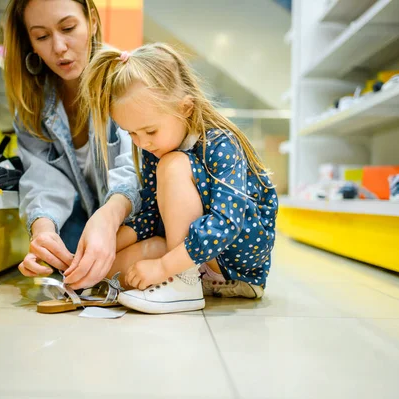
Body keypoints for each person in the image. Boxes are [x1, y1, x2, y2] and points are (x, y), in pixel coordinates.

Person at [77, 43, 279, 314]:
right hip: (195, 256)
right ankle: (184, 276)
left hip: (234, 264)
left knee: (172, 164)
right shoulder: (153, 149)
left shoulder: (220, 142)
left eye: (149, 131)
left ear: (185, 108)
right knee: (102, 272)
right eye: (131, 134)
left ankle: (182, 284)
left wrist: (163, 268)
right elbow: (149, 215)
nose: (142, 142)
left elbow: (226, 224)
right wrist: (101, 248)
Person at [3, 0, 167, 290]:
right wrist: (43, 235)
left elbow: (135, 168)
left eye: (68, 28)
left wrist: (108, 218)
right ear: (29, 42)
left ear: (92, 20)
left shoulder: (122, 82)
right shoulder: (33, 106)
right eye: (41, 36)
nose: (59, 48)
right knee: (68, 257)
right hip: (94, 226)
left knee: (93, 270)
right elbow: (42, 179)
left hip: (142, 220)